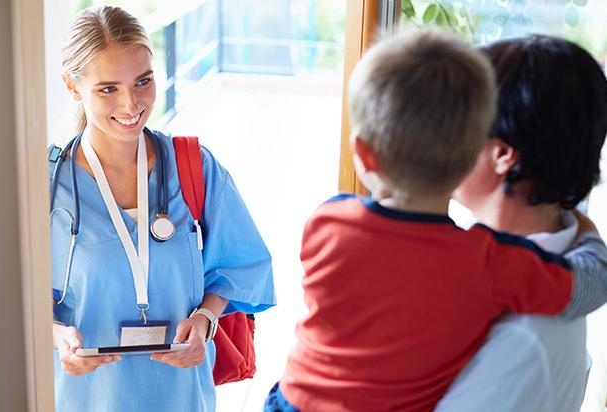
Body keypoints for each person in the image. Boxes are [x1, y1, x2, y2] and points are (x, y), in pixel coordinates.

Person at [264, 29, 607, 411]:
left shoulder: (328, 220)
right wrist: (586, 233)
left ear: (502, 154)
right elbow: (591, 281)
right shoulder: (489, 264)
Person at [48, 6, 275, 411]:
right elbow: (11, 298)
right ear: (72, 86)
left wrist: (205, 322)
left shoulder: (194, 167)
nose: (131, 103)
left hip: (181, 395)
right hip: (85, 398)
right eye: (108, 89)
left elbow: (243, 268)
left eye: (143, 81)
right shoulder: (48, 185)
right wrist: (57, 337)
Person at [436, 35, 607, 411]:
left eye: (457, 124)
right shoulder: (561, 273)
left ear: (501, 154)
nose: (438, 139)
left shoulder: (518, 332)